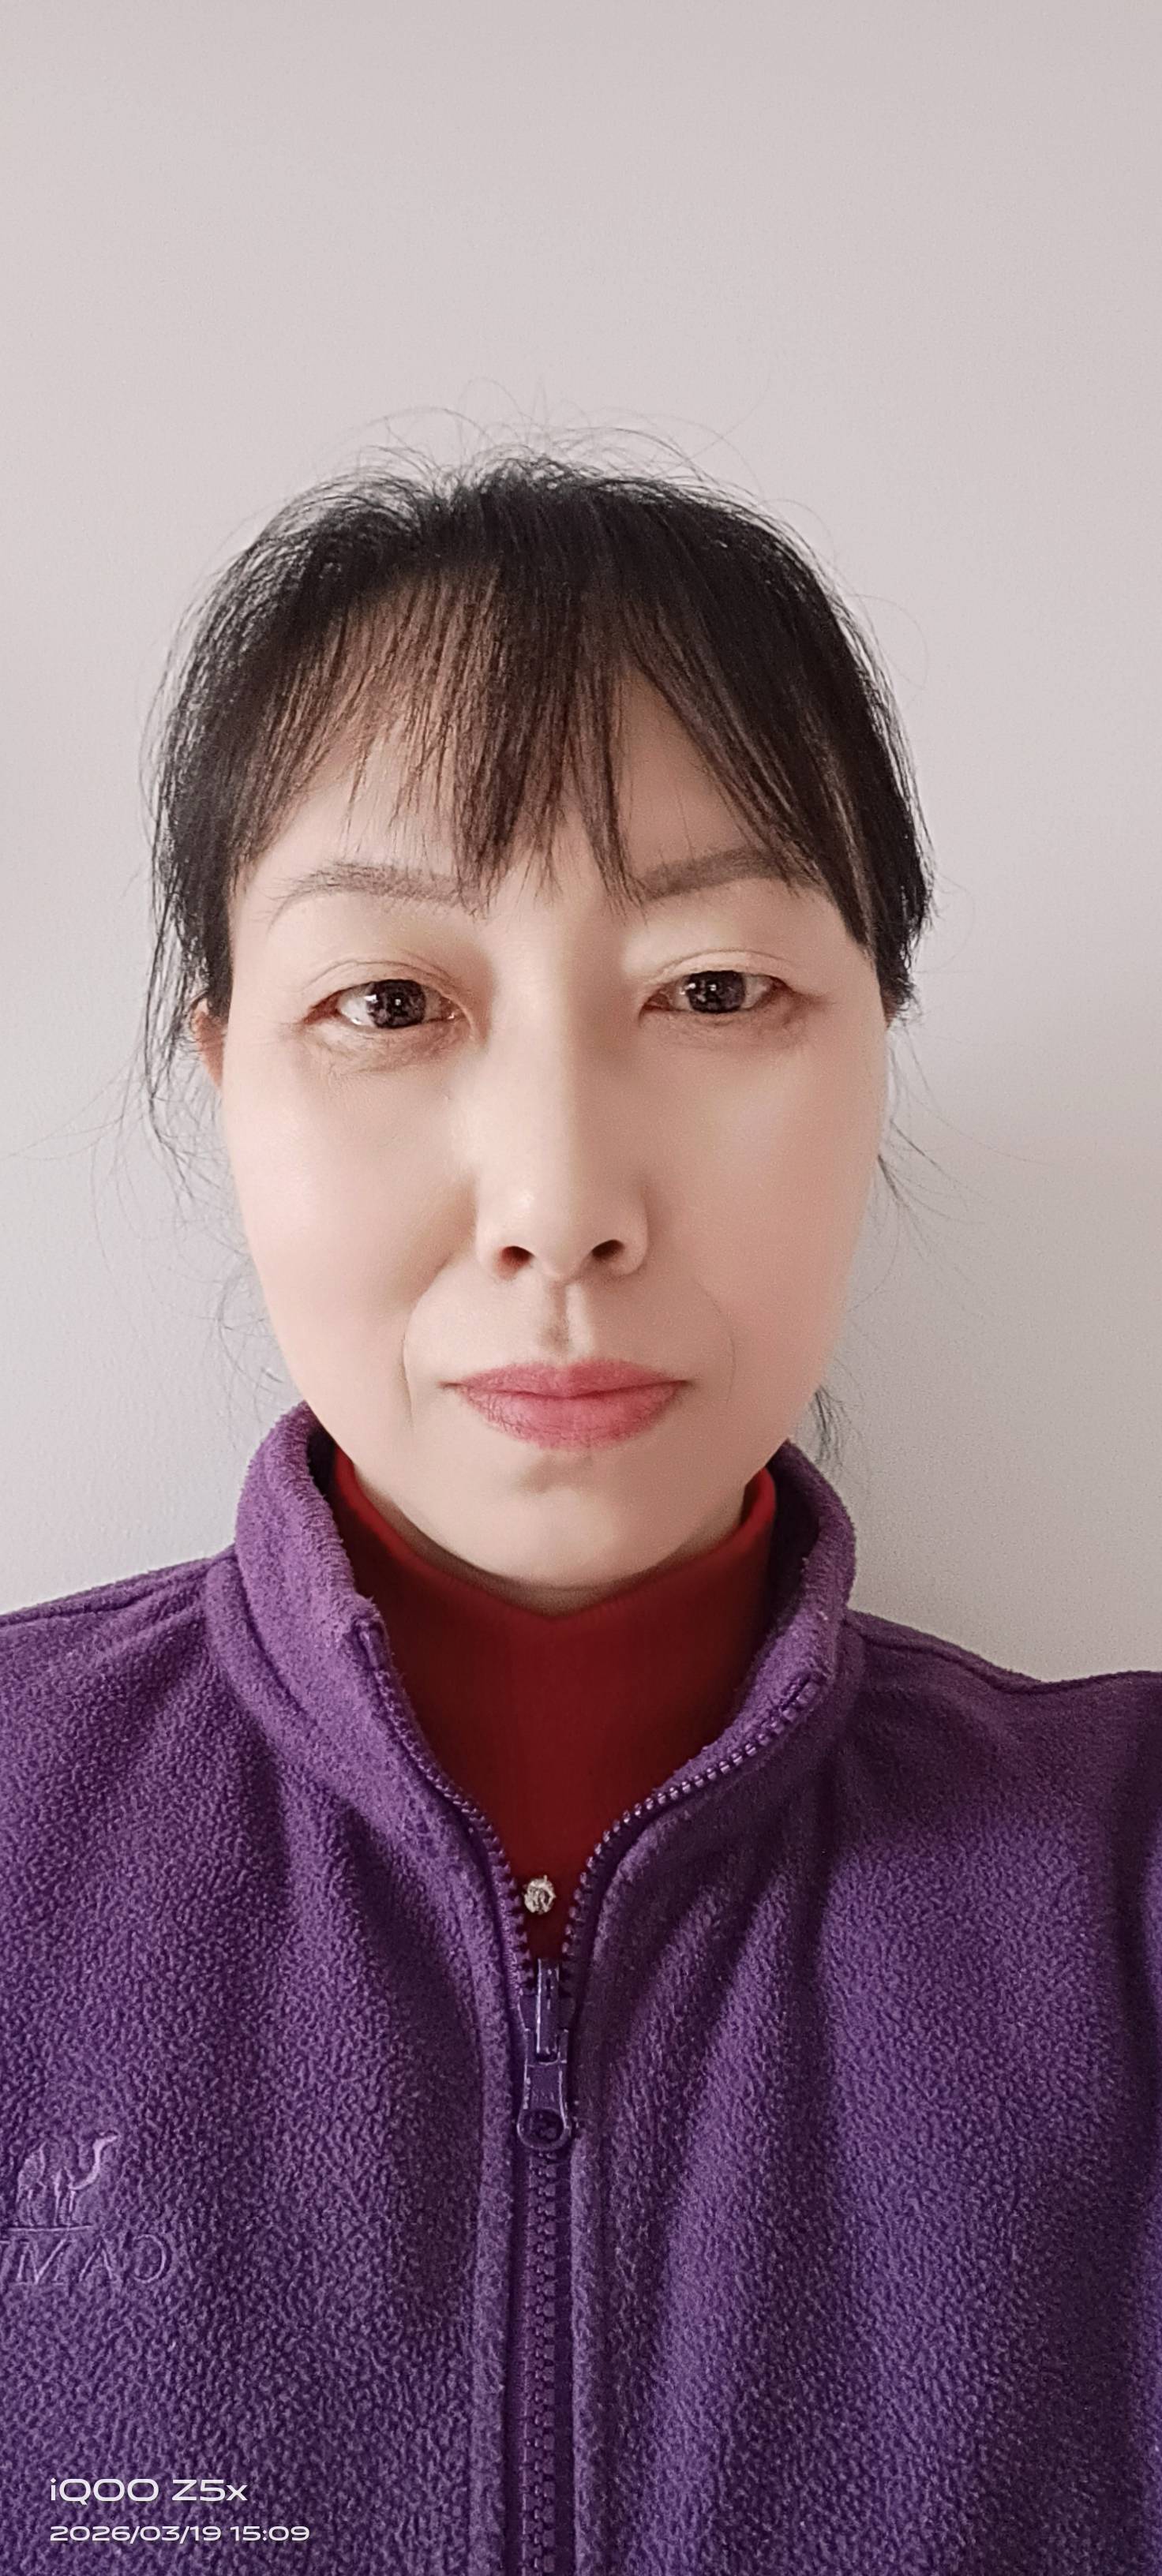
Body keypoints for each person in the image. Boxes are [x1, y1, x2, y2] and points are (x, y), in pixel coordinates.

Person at [1, 448, 1158, 2576]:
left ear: (877, 1044)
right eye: (388, 1003)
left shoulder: (1123, 1899)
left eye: (714, 991)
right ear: (229, 1073)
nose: (560, 1204)